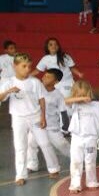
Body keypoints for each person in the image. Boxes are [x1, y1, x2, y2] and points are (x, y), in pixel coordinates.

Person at [0, 53, 59, 185]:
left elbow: (41, 99)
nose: (27, 69)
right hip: (18, 118)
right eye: (24, 66)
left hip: (35, 116)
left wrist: (43, 117)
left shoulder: (35, 82)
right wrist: (8, 91)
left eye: (29, 66)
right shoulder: (9, 82)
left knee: (44, 143)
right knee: (20, 146)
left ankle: (54, 168)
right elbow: (1, 97)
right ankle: (20, 175)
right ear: (15, 66)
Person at [64, 80, 99, 193]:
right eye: (79, 95)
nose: (82, 98)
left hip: (91, 138)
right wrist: (80, 99)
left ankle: (92, 182)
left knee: (90, 160)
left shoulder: (97, 105)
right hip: (76, 137)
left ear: (89, 92)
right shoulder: (74, 105)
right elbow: (66, 101)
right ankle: (75, 185)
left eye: (84, 94)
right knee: (76, 161)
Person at [25, 69, 69, 172]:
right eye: (45, 75)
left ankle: (79, 158)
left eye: (49, 77)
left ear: (56, 81)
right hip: (36, 125)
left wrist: (65, 126)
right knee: (30, 143)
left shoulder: (58, 95)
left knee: (62, 145)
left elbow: (63, 112)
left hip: (52, 127)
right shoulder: (36, 90)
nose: (44, 78)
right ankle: (32, 165)